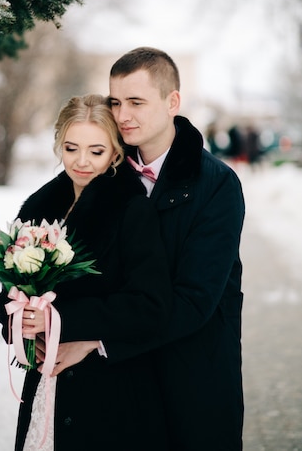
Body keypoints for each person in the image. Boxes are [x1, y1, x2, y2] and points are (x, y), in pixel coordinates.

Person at [0, 94, 172, 451]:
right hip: (44, 382)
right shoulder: (39, 206)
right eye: (72, 148)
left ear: (115, 152)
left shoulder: (131, 209)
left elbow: (150, 304)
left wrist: (61, 320)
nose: (82, 162)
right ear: (59, 143)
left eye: (96, 151)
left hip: (107, 392)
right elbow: (9, 289)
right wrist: (20, 320)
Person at [106, 47, 246, 451]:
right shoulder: (104, 173)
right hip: (120, 386)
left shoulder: (218, 185)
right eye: (115, 102)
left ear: (173, 102)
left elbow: (195, 300)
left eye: (136, 102)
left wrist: (99, 343)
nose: (122, 116)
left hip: (194, 382)